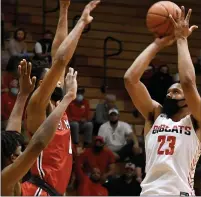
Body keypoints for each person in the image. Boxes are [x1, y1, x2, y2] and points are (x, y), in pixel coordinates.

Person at [24, 0, 100, 196]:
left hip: (56, 190)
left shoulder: (57, 104)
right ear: (42, 84)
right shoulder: (37, 105)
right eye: (51, 78)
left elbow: (58, 51)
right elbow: (60, 60)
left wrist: (63, 10)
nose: (58, 80)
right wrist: (81, 23)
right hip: (39, 190)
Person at [124, 6, 201, 195]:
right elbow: (130, 79)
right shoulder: (155, 115)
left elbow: (188, 82)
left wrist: (182, 40)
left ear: (187, 101)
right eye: (169, 91)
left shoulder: (196, 121)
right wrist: (157, 45)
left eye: (175, 92)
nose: (169, 94)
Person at [1, 60, 78, 196]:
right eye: (18, 154)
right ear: (11, 157)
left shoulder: (10, 179)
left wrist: (22, 94)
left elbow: (12, 136)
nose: (21, 155)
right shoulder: (4, 182)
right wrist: (68, 97)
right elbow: (38, 144)